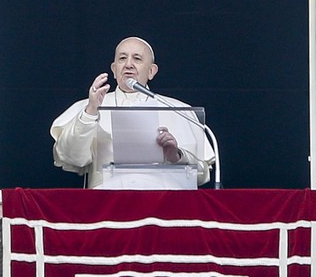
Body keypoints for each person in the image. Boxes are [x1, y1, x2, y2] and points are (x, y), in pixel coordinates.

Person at [50, 36, 215, 188]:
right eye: (122, 58)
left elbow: (201, 175)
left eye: (137, 58)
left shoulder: (178, 110)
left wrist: (176, 155)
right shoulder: (89, 107)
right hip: (108, 206)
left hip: (164, 205)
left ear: (151, 71)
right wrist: (90, 112)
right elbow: (71, 157)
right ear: (114, 69)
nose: (128, 64)